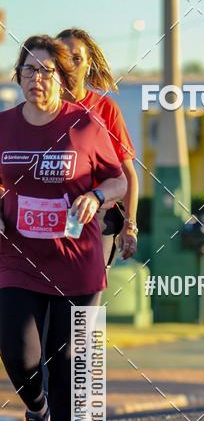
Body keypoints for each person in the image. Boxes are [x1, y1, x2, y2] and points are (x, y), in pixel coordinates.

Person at [0, 36, 126, 421]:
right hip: (17, 254)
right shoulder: (3, 126)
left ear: (63, 78)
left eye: (47, 71)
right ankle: (36, 410)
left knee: (68, 354)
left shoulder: (86, 125)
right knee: (17, 349)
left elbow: (118, 181)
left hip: (76, 257)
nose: (37, 79)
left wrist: (97, 195)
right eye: (29, 70)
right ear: (18, 77)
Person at [57, 28, 138, 266]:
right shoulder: (40, 110)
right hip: (48, 217)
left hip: (98, 218)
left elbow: (128, 175)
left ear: (88, 64)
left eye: (76, 58)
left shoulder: (105, 109)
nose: (69, 65)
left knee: (87, 300)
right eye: (62, 58)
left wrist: (130, 225)